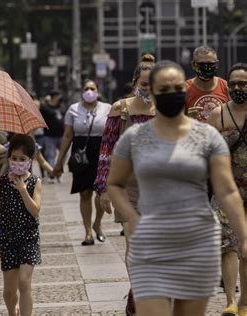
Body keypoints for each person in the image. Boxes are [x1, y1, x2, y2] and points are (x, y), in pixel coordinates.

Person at [107, 60, 247, 316]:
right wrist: (132, 217)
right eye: (163, 88)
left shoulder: (207, 136)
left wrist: (244, 236)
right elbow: (114, 184)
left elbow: (226, 190)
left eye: (176, 88)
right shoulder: (134, 138)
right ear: (153, 92)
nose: (171, 94)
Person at [94, 53, 156, 316]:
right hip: (127, 187)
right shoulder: (121, 109)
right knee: (135, 243)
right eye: (144, 85)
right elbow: (106, 149)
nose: (149, 91)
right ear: (134, 83)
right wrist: (103, 188)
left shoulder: (166, 109)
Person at [0, 134, 42, 316]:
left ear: (30, 160)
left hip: (28, 239)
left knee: (24, 282)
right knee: (8, 291)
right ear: (8, 158)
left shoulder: (35, 182)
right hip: (8, 240)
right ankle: (12, 312)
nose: (17, 162)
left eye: (22, 159)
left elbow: (35, 210)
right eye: (14, 158)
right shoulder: (2, 182)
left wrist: (22, 190)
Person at [207, 63, 247, 316]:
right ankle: (231, 300)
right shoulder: (217, 115)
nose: (237, 88)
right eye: (233, 83)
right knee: (227, 246)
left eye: (243, 83)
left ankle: (245, 303)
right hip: (225, 191)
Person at [53, 80, 111, 245]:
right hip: (81, 154)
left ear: (98, 91)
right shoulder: (73, 109)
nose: (89, 91)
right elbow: (67, 136)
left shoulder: (107, 108)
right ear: (82, 91)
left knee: (101, 193)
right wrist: (59, 161)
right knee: (85, 193)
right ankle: (87, 232)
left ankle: (97, 223)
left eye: (92, 88)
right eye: (86, 88)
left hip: (101, 153)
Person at [186, 45, 229, 122]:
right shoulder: (184, 89)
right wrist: (188, 118)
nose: (206, 67)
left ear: (217, 64)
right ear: (193, 65)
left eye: (210, 64)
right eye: (201, 64)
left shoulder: (226, 87)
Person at [40, 90, 65, 182]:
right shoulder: (45, 107)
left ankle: (59, 173)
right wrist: (45, 102)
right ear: (54, 96)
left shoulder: (61, 107)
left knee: (63, 156)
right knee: (50, 155)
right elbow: (43, 110)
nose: (60, 97)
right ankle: (52, 175)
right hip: (49, 136)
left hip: (61, 135)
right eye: (58, 95)